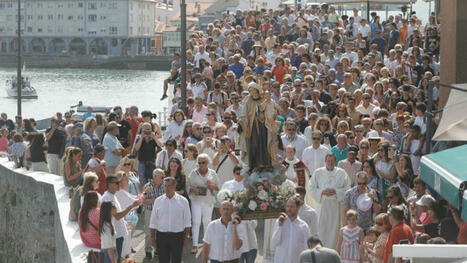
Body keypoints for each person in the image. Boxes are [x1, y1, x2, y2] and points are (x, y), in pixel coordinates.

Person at [310, 154, 350, 248]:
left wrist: (336, 191)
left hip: (335, 206)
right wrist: (322, 192)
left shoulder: (341, 173)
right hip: (322, 205)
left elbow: (347, 188)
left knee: (334, 231)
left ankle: (333, 251)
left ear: (335, 161)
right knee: (322, 229)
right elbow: (311, 187)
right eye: (328, 161)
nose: (330, 163)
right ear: (325, 161)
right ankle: (320, 249)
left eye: (332, 161)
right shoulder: (318, 172)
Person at [149, 176, 192, 263]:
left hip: (177, 236)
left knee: (177, 260)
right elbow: (153, 222)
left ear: (174, 186)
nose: (167, 188)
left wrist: (187, 236)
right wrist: (152, 238)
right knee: (163, 260)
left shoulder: (183, 201)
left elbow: (187, 221)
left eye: (169, 186)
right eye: (165, 186)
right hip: (162, 237)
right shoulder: (158, 201)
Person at [102, 175, 142, 260]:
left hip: (118, 234)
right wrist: (131, 206)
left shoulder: (112, 195)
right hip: (114, 236)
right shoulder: (107, 198)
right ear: (109, 184)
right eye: (117, 183)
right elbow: (117, 216)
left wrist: (124, 222)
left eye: (119, 182)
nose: (119, 184)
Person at [186, 153, 219, 254]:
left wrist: (212, 186)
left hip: (208, 200)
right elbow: (188, 186)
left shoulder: (212, 173)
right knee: (196, 222)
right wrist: (193, 190)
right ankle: (195, 245)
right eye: (199, 162)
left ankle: (206, 245)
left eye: (203, 162)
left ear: (208, 163)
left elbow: (218, 187)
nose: (201, 164)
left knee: (207, 222)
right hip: (196, 200)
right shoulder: (193, 173)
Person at [271, 196, 309, 263]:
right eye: (287, 206)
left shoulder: (304, 226)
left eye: (291, 206)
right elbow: (274, 243)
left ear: (298, 208)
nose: (288, 209)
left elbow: (306, 247)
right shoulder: (279, 222)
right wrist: (280, 227)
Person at [142, 169, 165, 259]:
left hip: (161, 212)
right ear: (155, 177)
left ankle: (156, 250)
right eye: (162, 177)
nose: (164, 178)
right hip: (150, 211)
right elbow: (142, 201)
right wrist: (154, 200)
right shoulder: (147, 186)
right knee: (148, 232)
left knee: (159, 231)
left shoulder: (164, 186)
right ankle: (148, 250)